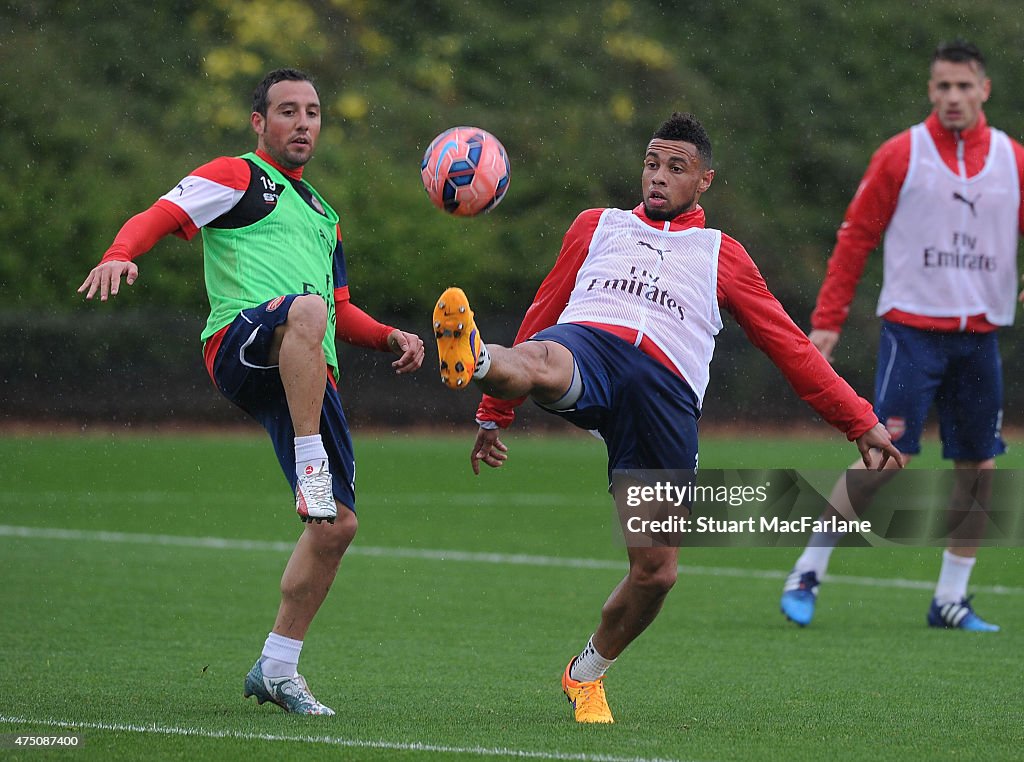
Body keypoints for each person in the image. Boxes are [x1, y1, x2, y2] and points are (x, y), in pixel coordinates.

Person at [431, 112, 903, 724]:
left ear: (704, 180)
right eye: (652, 164)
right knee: (542, 357)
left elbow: (791, 347)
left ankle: (587, 673)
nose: (658, 177)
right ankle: (473, 357)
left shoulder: (722, 255)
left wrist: (859, 420)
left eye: (675, 168)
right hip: (590, 344)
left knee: (656, 573)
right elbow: (545, 305)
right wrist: (494, 412)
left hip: (665, 394)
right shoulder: (596, 226)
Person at [78, 68, 425, 714]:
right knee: (305, 314)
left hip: (306, 368)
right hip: (240, 343)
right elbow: (162, 213)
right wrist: (121, 251)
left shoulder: (325, 213)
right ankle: (309, 465)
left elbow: (337, 310)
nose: (303, 122)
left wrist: (386, 338)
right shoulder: (238, 176)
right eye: (287, 111)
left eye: (314, 112)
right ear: (259, 124)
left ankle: (277, 666)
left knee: (336, 526)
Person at [779, 40, 1024, 632]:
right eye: (942, 86)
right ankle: (808, 571)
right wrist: (828, 321)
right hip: (913, 333)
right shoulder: (901, 154)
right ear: (930, 91)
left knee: (978, 469)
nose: (953, 97)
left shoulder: (1014, 161)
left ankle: (950, 600)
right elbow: (855, 235)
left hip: (981, 339)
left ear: (984, 89)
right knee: (887, 460)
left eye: (964, 86)